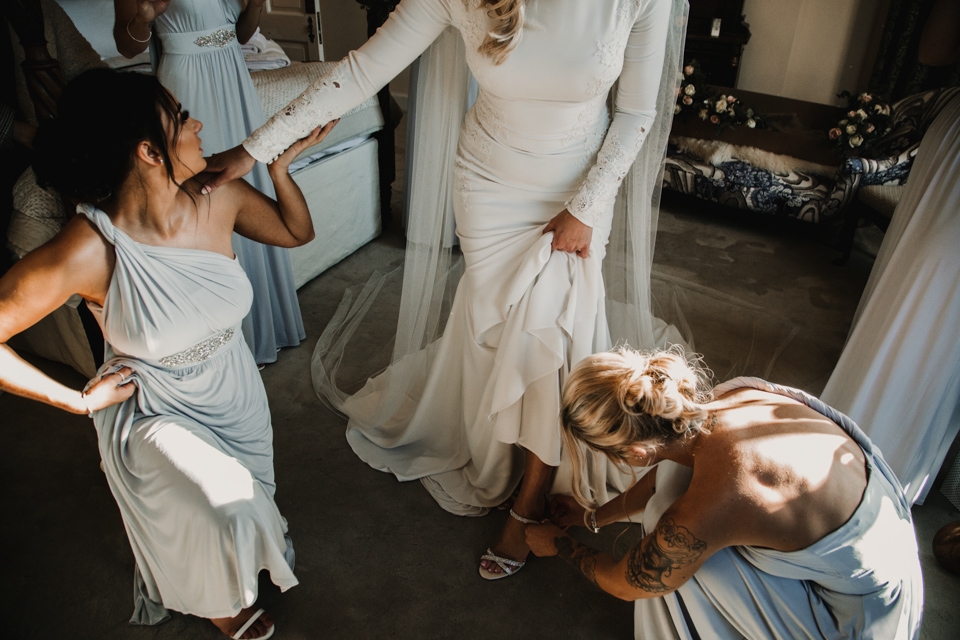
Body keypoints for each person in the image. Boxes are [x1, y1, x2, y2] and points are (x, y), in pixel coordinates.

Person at [205, 0, 689, 579]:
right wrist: (252, 150)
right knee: (503, 329)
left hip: (583, 184)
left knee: (555, 332)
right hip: (490, 184)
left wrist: (585, 207)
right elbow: (362, 70)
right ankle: (503, 451)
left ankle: (529, 498)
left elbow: (637, 113)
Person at [0, 68, 334, 639]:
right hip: (153, 403)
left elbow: (294, 232)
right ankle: (215, 602)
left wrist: (278, 170)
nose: (198, 124)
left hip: (234, 384)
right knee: (225, 502)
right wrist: (76, 402)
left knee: (244, 502)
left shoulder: (219, 194)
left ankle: (231, 566)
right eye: (181, 118)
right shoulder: (88, 248)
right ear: (149, 151)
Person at [525, 347, 923, 639]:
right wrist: (590, 516)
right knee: (671, 504)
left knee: (676, 560)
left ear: (636, 452)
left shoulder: (722, 496)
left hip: (867, 616)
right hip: (891, 540)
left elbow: (625, 583)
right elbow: (663, 476)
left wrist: (558, 543)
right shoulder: (730, 397)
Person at [819, 0, 960, 506]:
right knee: (913, 293)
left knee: (936, 304)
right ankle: (862, 442)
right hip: (954, 147)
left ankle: (892, 460)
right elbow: (934, 49)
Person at [113, 0, 306, 366]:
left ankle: (266, 322)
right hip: (187, 77)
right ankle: (219, 334)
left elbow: (240, 34)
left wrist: (254, 5)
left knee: (246, 174)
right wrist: (143, 18)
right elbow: (127, 46)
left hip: (233, 73)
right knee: (203, 183)